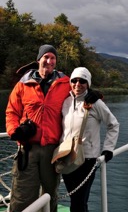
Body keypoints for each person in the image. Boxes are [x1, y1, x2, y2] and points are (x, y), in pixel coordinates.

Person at [6, 44, 70, 212]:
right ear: (38, 60)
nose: (49, 61)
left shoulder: (65, 83)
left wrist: (93, 97)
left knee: (50, 195)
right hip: (27, 149)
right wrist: (14, 132)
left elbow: (82, 92)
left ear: (56, 62)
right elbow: (12, 111)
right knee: (22, 195)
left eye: (53, 58)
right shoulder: (23, 84)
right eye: (46, 57)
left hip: (52, 150)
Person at [61, 67, 120, 212]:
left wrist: (108, 149)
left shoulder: (95, 103)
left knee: (79, 202)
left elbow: (113, 124)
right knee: (75, 199)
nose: (77, 84)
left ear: (88, 83)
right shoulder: (66, 101)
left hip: (87, 159)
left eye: (82, 81)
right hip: (66, 157)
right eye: (74, 80)